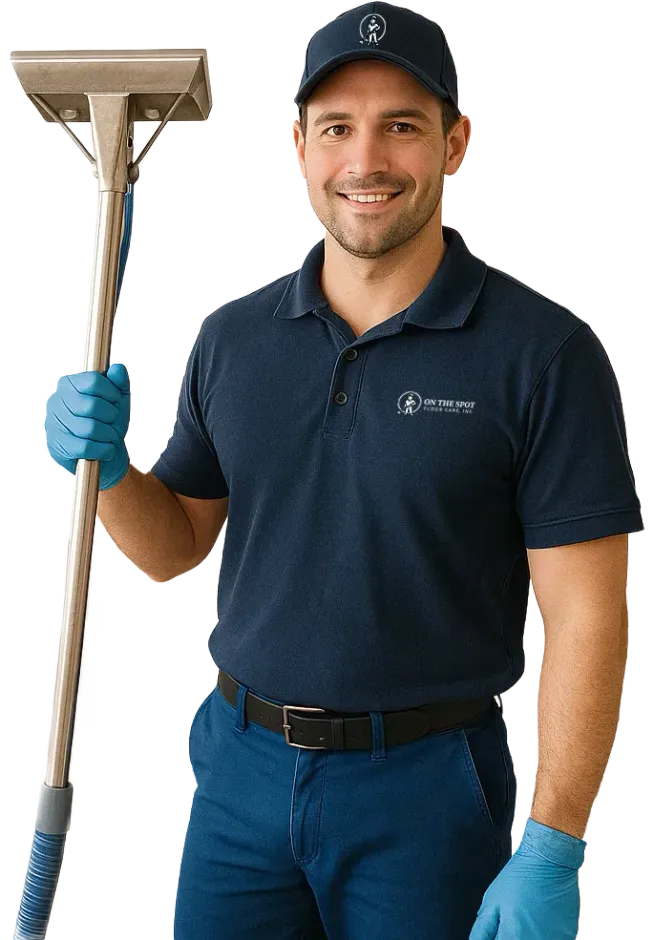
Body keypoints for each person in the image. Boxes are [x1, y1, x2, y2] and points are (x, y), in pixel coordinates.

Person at [43, 2, 646, 938]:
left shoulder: (545, 356)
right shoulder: (232, 341)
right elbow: (175, 548)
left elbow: (587, 614)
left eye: (401, 125)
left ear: (456, 143)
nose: (366, 160)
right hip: (239, 778)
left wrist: (556, 841)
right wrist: (113, 469)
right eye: (337, 128)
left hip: (427, 792)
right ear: (299, 148)